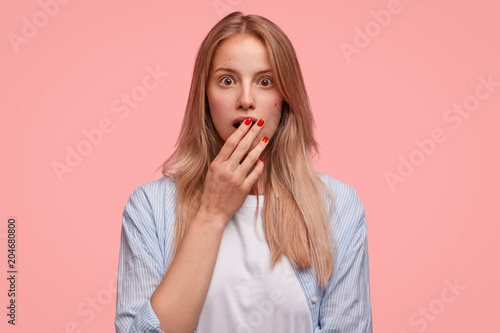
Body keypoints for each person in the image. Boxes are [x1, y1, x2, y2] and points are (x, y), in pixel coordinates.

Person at [115, 11, 372, 333]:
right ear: (205, 96)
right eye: (227, 80)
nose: (246, 100)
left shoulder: (338, 206)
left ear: (286, 98)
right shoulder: (150, 207)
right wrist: (212, 213)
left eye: (265, 82)